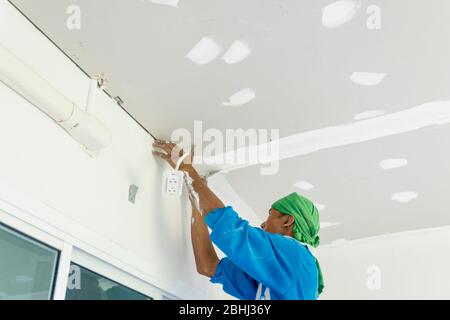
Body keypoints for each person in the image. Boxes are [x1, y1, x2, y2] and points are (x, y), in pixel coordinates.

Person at [153, 140, 324, 300]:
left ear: (287, 221)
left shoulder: (295, 256)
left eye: (270, 215)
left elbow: (230, 227)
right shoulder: (272, 277)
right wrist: (196, 204)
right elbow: (209, 266)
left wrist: (187, 168)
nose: (263, 225)